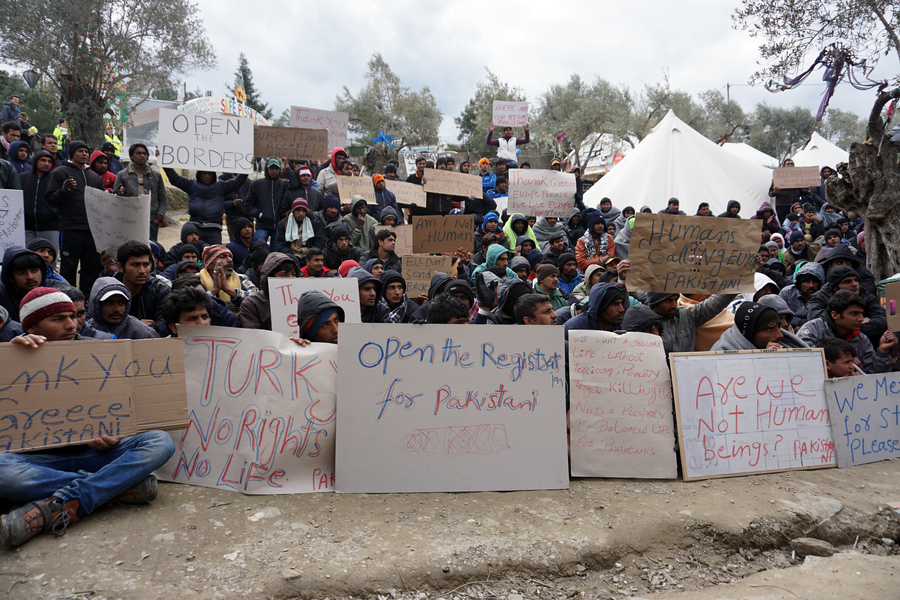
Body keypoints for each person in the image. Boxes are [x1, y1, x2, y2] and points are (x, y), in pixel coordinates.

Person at [0, 289, 173, 548]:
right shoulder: (11, 355)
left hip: (94, 456)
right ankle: (116, 489)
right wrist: (11, 361)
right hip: (39, 461)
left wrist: (118, 435)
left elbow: (121, 409)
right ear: (32, 325)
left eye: (72, 316)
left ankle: (64, 502)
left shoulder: (97, 351)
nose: (71, 324)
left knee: (161, 441)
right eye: (58, 319)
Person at [47, 141, 105, 295]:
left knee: (91, 267)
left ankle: (87, 300)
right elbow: (51, 199)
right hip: (70, 228)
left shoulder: (95, 176)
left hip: (92, 231)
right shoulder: (60, 173)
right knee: (68, 267)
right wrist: (63, 191)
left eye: (86, 152)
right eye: (80, 151)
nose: (84, 154)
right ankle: (68, 298)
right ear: (72, 154)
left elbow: (102, 202)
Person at [798, 290, 896, 374]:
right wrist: (844, 361)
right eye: (854, 314)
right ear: (835, 315)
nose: (861, 319)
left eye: (861, 313)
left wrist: (882, 351)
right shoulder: (812, 330)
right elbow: (803, 362)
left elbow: (876, 376)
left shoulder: (862, 339)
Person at [99, 241, 171, 337]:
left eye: (145, 265)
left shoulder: (160, 290)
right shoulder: (106, 289)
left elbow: (165, 326)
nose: (142, 271)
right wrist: (136, 327)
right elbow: (93, 322)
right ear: (120, 267)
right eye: (135, 265)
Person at [163, 167, 249, 245]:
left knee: (214, 255)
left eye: (210, 174)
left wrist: (247, 166)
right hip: (195, 226)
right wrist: (165, 164)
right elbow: (175, 179)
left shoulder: (221, 186)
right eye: (204, 173)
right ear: (199, 174)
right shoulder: (191, 184)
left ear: (213, 174)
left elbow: (238, 182)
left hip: (214, 227)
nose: (207, 176)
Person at [805, 265, 886, 346]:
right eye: (847, 282)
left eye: (856, 280)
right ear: (835, 288)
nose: (854, 284)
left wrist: (853, 328)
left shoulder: (866, 296)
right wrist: (851, 326)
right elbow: (819, 323)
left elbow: (883, 321)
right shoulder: (819, 298)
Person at [646, 291, 736, 355]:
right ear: (656, 303)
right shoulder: (643, 323)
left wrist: (739, 284)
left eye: (675, 299)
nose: (674, 305)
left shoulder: (686, 316)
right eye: (669, 301)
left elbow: (715, 303)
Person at [114, 144, 167, 242]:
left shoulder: (156, 176)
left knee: (150, 250)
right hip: (130, 221)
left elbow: (162, 199)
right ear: (131, 156)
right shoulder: (122, 175)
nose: (142, 156)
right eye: (138, 153)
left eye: (144, 153)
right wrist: (120, 192)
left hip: (151, 220)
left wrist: (158, 218)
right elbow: (115, 198)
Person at [0, 244, 66, 321]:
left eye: (34, 271)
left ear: (42, 272)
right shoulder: (2, 296)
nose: (30, 277)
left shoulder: (59, 289)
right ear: (11, 278)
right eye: (22, 273)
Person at [711, 301, 808, 351]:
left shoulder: (788, 347)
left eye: (778, 327)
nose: (780, 335)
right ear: (750, 333)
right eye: (769, 329)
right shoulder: (721, 354)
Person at [239, 252, 298, 330]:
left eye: (293, 274)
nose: (290, 279)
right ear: (269, 277)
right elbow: (253, 335)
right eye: (284, 275)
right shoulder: (252, 304)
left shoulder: (301, 300)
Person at [85, 277, 159, 339]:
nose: (117, 309)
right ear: (96, 305)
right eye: (109, 303)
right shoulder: (84, 332)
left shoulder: (143, 334)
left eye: (121, 303)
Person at [245, 158, 290, 250]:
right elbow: (248, 204)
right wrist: (259, 214)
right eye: (271, 168)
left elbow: (295, 183)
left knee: (275, 254)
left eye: (276, 168)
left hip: (279, 226)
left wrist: (287, 166)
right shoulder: (257, 184)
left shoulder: (284, 184)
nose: (274, 171)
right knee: (259, 249)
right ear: (267, 169)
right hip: (262, 225)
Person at [199, 245, 257, 315]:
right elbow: (192, 301)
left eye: (230, 256)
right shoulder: (197, 279)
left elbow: (255, 300)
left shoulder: (241, 278)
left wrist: (228, 289)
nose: (230, 260)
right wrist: (214, 290)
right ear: (210, 264)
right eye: (223, 256)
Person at [21, 150, 59, 248]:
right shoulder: (23, 178)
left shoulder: (55, 179)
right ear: (36, 161)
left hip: (49, 226)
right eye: (43, 160)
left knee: (48, 258)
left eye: (49, 161)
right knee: (28, 258)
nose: (46, 164)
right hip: (26, 227)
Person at [170, 275, 238, 328]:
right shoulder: (168, 321)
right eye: (192, 318)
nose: (202, 323)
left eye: (205, 317)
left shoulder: (226, 318)